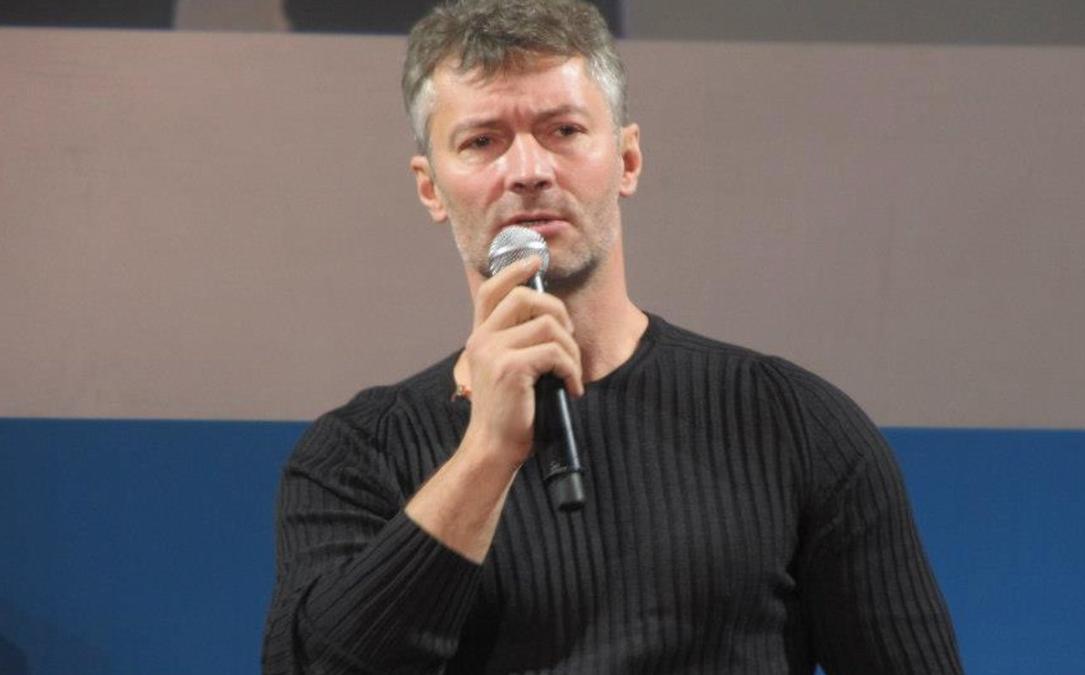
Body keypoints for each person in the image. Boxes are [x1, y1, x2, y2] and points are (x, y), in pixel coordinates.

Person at [262, 0, 964, 672]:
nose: (528, 171)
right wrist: (487, 453)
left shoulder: (794, 424)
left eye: (564, 131)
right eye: (482, 141)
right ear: (431, 188)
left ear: (627, 160)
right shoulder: (358, 454)